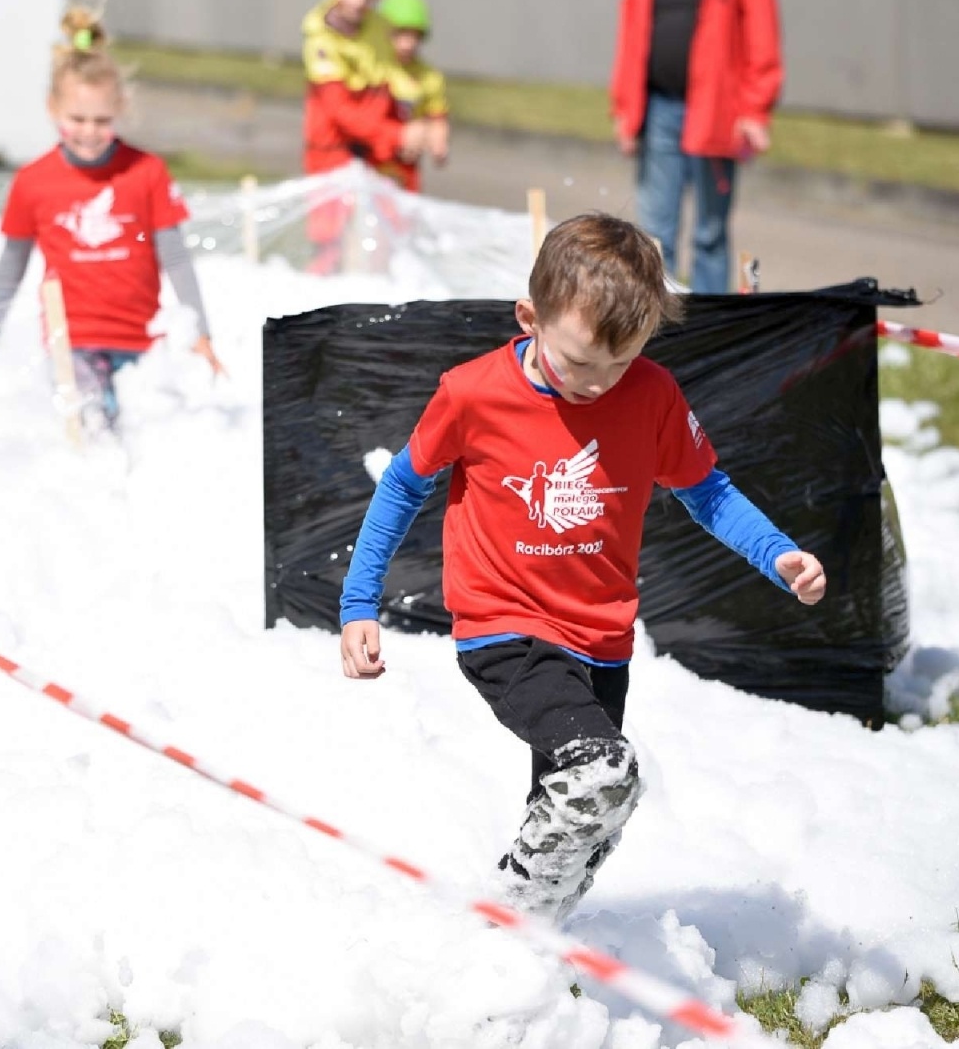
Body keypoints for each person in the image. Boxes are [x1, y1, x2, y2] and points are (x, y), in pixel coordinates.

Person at [337, 213, 825, 924]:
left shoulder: (652, 395)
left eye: (619, 364)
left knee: (590, 817)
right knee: (602, 772)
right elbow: (404, 485)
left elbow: (706, 491)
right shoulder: (473, 393)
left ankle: (534, 951)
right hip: (504, 629)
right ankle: (497, 929)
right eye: (577, 362)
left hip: (600, 639)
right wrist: (358, 602)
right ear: (528, 318)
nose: (597, 385)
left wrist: (776, 552)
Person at [0, 6, 222, 431]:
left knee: (146, 439)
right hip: (72, 343)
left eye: (102, 120)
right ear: (53, 109)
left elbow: (176, 257)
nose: (89, 131)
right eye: (77, 119)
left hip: (142, 342)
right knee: (90, 432)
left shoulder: (147, 171)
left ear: (121, 108)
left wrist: (200, 331)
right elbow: (10, 268)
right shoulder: (33, 181)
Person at [609, 0, 782, 294]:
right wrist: (626, 108)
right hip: (658, 110)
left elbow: (762, 39)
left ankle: (708, 328)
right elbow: (631, 37)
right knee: (654, 235)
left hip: (716, 113)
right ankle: (657, 328)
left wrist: (755, 110)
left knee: (709, 235)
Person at [300, 0, 426, 273]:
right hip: (333, 149)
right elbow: (339, 111)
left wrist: (423, 118)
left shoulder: (381, 26)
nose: (359, 2)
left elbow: (400, 77)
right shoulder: (321, 37)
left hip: (379, 148)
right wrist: (397, 134)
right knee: (329, 240)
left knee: (386, 232)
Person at [377, 0, 448, 192]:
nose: (407, 43)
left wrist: (439, 142)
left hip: (407, 164)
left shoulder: (428, 76)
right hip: (376, 159)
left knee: (403, 217)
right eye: (400, 34)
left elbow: (438, 115)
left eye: (414, 36)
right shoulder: (378, 68)